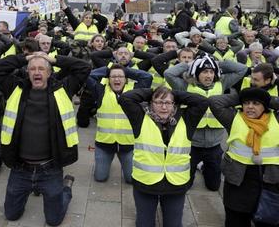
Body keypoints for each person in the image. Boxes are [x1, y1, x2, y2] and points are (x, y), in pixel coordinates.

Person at [0, 52, 91, 226]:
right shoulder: (15, 88)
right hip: (21, 169)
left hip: (50, 169)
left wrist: (54, 59)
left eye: (42, 68)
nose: (37, 72)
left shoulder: (63, 88)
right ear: (27, 72)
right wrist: (26, 57)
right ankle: (34, 189)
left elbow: (84, 67)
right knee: (11, 215)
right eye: (33, 69)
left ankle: (65, 188)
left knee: (53, 220)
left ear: (49, 72)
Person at [119, 86, 208, 227]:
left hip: (176, 184)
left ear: (174, 104)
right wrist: (153, 91)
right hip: (145, 183)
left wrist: (173, 93)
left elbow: (202, 101)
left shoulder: (186, 119)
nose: (164, 107)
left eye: (168, 103)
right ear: (150, 104)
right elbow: (125, 98)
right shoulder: (140, 118)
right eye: (159, 102)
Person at [165, 54, 247, 191]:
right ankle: (198, 166)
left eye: (211, 71)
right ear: (196, 73)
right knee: (186, 185)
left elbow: (242, 69)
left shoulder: (222, 83)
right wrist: (191, 63)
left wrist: (216, 63)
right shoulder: (185, 85)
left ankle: (203, 167)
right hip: (191, 144)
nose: (209, 75)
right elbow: (169, 74)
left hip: (214, 145)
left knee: (214, 187)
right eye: (204, 72)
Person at [210, 88, 279, 227]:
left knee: (267, 220)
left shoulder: (276, 118)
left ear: (265, 106)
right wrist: (242, 96)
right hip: (238, 181)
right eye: (246, 103)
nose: (250, 107)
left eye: (256, 103)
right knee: (235, 219)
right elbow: (214, 102)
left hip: (269, 182)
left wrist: (266, 98)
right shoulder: (233, 118)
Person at [86, 64, 152, 183]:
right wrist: (108, 69)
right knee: (100, 178)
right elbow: (89, 75)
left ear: (126, 78)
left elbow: (147, 77)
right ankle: (106, 162)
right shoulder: (100, 90)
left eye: (120, 76)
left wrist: (124, 70)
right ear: (108, 78)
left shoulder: (134, 90)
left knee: (131, 180)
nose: (117, 79)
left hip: (128, 145)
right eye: (113, 77)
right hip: (104, 144)